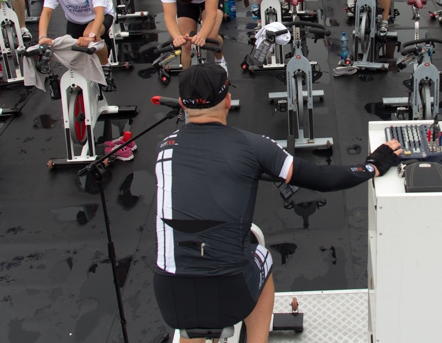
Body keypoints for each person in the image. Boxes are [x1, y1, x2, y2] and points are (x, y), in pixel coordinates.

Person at [153, 63, 402, 343]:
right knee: (260, 255)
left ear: (183, 105)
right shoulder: (253, 146)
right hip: (230, 292)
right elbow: (321, 178)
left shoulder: (165, 148)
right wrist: (371, 167)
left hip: (169, 296)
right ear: (226, 101)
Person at [37, 0, 117, 91]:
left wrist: (91, 37)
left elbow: (99, 13)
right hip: (74, 21)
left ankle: (105, 66)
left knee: (90, 36)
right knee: (73, 48)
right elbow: (46, 12)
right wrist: (42, 37)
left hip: (99, 17)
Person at [159, 0, 226, 72]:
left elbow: (211, 14)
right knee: (185, 44)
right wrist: (177, 38)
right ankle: (186, 78)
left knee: (211, 35)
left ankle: (220, 62)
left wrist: (202, 36)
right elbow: (169, 16)